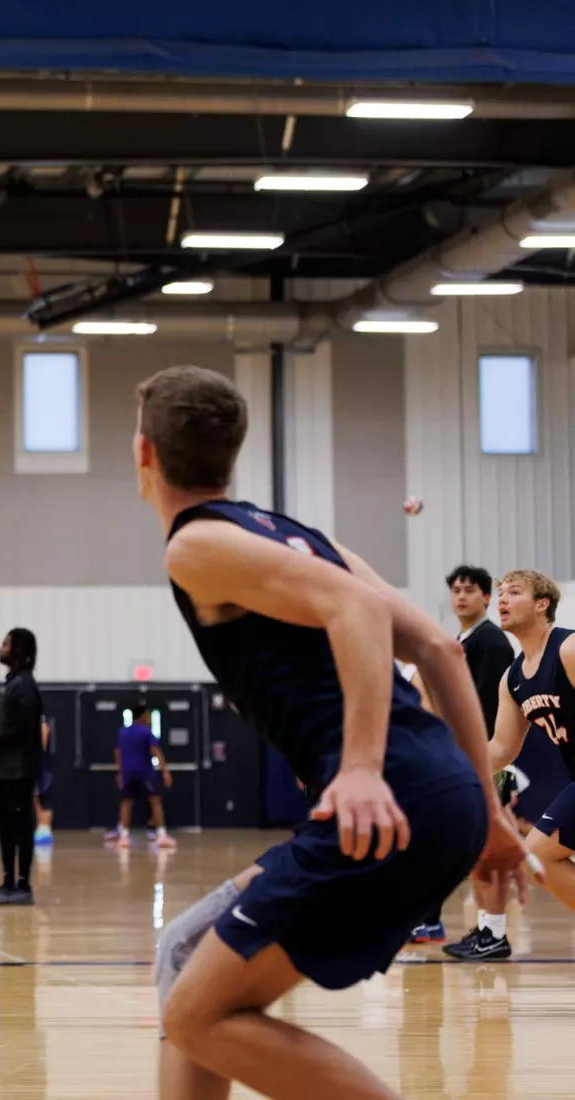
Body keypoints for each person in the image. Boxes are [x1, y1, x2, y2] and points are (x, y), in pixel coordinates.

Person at [133, 365, 525, 1100]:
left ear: (143, 455)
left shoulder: (192, 546)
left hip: (394, 790)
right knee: (186, 954)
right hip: (441, 787)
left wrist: (362, 767)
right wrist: (490, 812)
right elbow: (439, 651)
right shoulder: (292, 534)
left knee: (197, 1015)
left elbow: (359, 612)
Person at [410, 565, 514, 949]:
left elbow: (482, 711)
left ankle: (491, 932)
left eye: (470, 590)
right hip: (456, 760)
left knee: (479, 847)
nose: (461, 596)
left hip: (478, 760)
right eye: (455, 589)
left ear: (486, 597)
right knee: (448, 843)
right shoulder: (462, 639)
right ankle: (435, 921)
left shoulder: (489, 641)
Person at [481, 570, 575, 918]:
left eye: (514, 592)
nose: (502, 599)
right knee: (538, 859)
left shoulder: (568, 649)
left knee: (538, 852)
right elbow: (501, 749)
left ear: (542, 604)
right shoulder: (513, 678)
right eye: (500, 593)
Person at [0, 627, 46, 904]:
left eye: (6, 643)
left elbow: (24, 731)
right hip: (8, 768)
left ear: (18, 649)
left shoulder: (24, 686)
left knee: (19, 826)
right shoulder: (13, 683)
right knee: (5, 825)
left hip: (19, 770)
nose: (1, 647)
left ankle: (22, 887)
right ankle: (8, 883)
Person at [113, 710, 176, 851]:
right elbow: (155, 750)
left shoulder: (122, 732)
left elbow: (118, 752)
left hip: (128, 773)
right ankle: (161, 834)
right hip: (145, 773)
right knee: (155, 802)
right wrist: (165, 771)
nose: (149, 719)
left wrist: (120, 771)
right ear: (141, 716)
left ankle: (123, 836)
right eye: (148, 716)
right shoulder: (146, 732)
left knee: (126, 803)